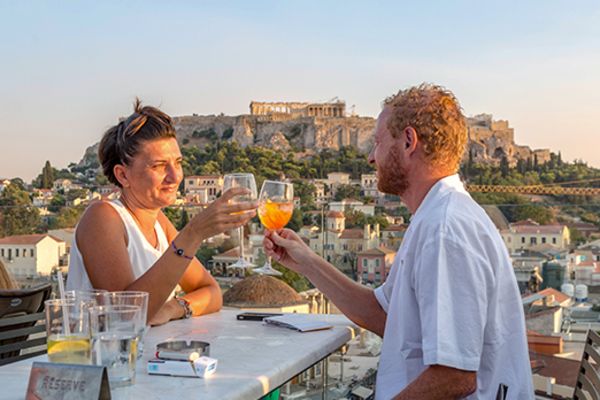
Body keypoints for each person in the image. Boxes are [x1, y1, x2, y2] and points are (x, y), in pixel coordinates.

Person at [264, 84, 533, 399]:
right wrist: (306, 262)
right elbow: (384, 316)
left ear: (408, 141)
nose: (370, 158)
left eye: (377, 142)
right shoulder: (435, 216)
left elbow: (455, 376)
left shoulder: (444, 229)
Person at [67, 99, 257, 325]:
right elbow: (126, 316)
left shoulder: (160, 223)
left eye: (177, 163)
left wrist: (172, 308)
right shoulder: (102, 217)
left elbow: (212, 293)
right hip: (101, 358)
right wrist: (194, 233)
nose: (175, 176)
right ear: (123, 175)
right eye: (158, 166)